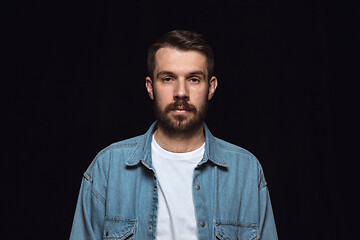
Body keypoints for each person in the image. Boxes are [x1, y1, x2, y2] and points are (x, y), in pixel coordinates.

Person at [70, 30, 278, 240]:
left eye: (194, 79)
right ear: (150, 88)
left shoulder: (246, 172)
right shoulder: (107, 168)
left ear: (211, 87)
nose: (181, 92)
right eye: (168, 78)